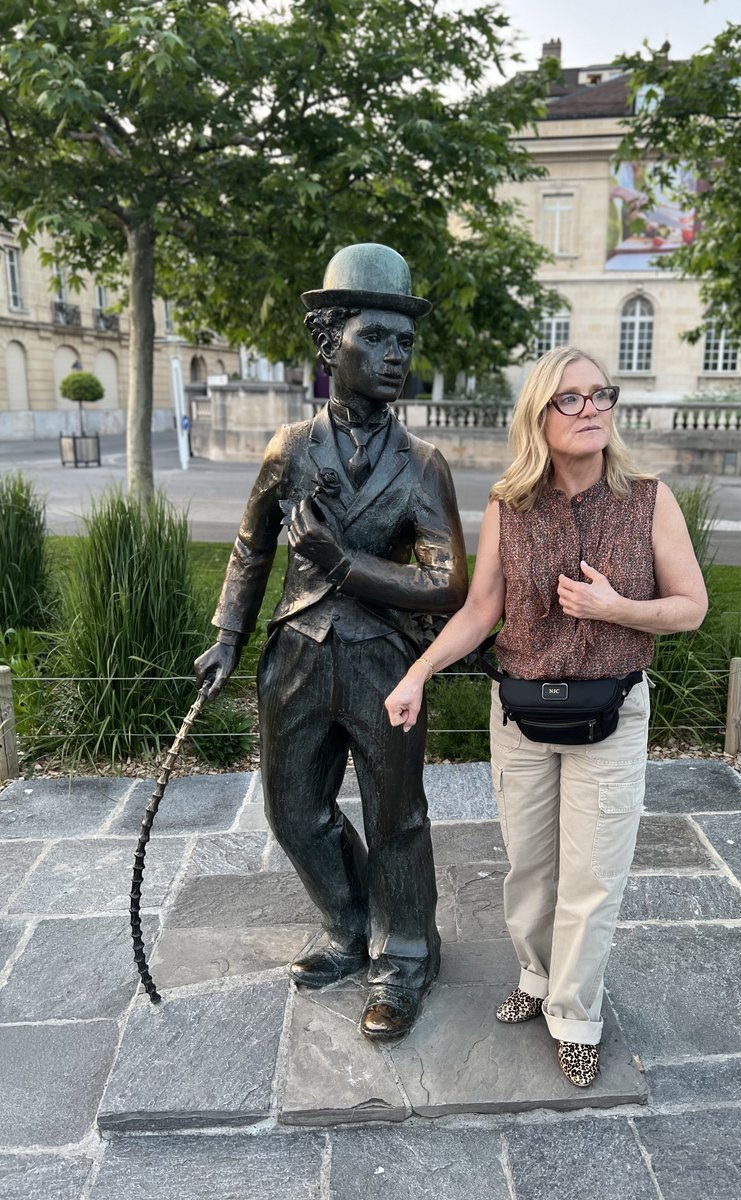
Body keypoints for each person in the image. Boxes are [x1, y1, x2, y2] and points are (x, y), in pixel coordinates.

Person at [385, 345, 707, 1085]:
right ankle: (535, 979)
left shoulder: (648, 499)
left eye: (602, 395)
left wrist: (616, 608)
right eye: (573, 399)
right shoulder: (510, 506)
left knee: (593, 876)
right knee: (531, 870)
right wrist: (418, 673)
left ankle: (575, 1014)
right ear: (540, 415)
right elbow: (479, 611)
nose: (592, 409)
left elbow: (691, 607)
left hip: (611, 712)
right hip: (523, 716)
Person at [195, 243, 467, 1041]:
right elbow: (250, 547)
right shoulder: (289, 449)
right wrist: (228, 637)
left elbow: (447, 584)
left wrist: (346, 566)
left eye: (405, 344)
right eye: (375, 339)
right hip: (298, 659)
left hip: (386, 663)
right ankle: (348, 926)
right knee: (293, 810)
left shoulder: (424, 465)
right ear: (328, 345)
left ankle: (407, 954)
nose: (394, 357)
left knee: (397, 817)